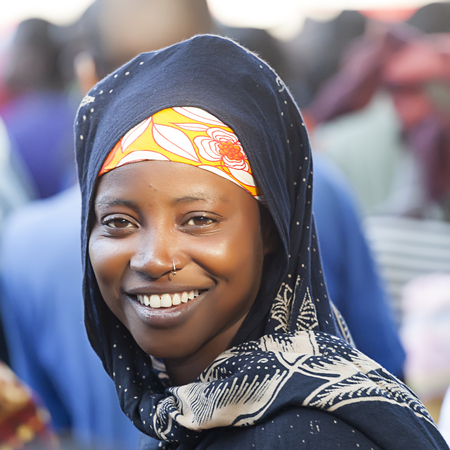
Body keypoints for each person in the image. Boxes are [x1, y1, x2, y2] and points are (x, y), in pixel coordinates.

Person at [75, 35, 447, 449]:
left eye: (199, 220)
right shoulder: (181, 418)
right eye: (119, 222)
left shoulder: (308, 437)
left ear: (270, 230)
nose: (154, 258)